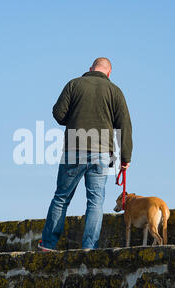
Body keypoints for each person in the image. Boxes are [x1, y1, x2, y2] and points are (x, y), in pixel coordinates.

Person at [39, 57, 133, 251]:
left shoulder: (74, 84)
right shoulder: (115, 91)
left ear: (90, 68)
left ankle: (48, 244)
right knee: (95, 201)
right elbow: (124, 125)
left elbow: (58, 114)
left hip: (74, 147)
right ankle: (89, 247)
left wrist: (75, 116)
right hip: (102, 153)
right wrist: (125, 158)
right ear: (108, 73)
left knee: (61, 197)